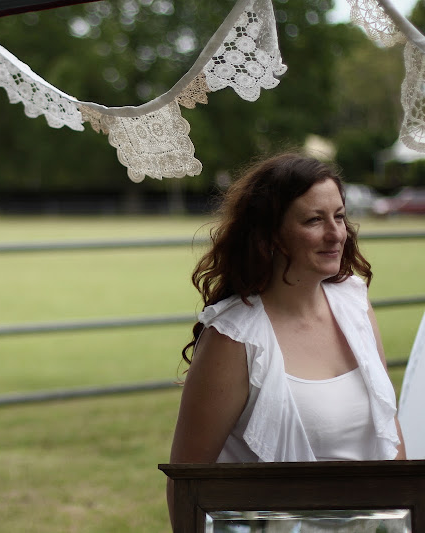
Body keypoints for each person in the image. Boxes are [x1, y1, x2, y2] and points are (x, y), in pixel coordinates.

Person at [166, 152, 407, 527]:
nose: (336, 233)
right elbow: (187, 485)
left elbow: (390, 432)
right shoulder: (234, 337)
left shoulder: (354, 302)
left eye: (339, 216)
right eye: (314, 220)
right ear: (271, 235)